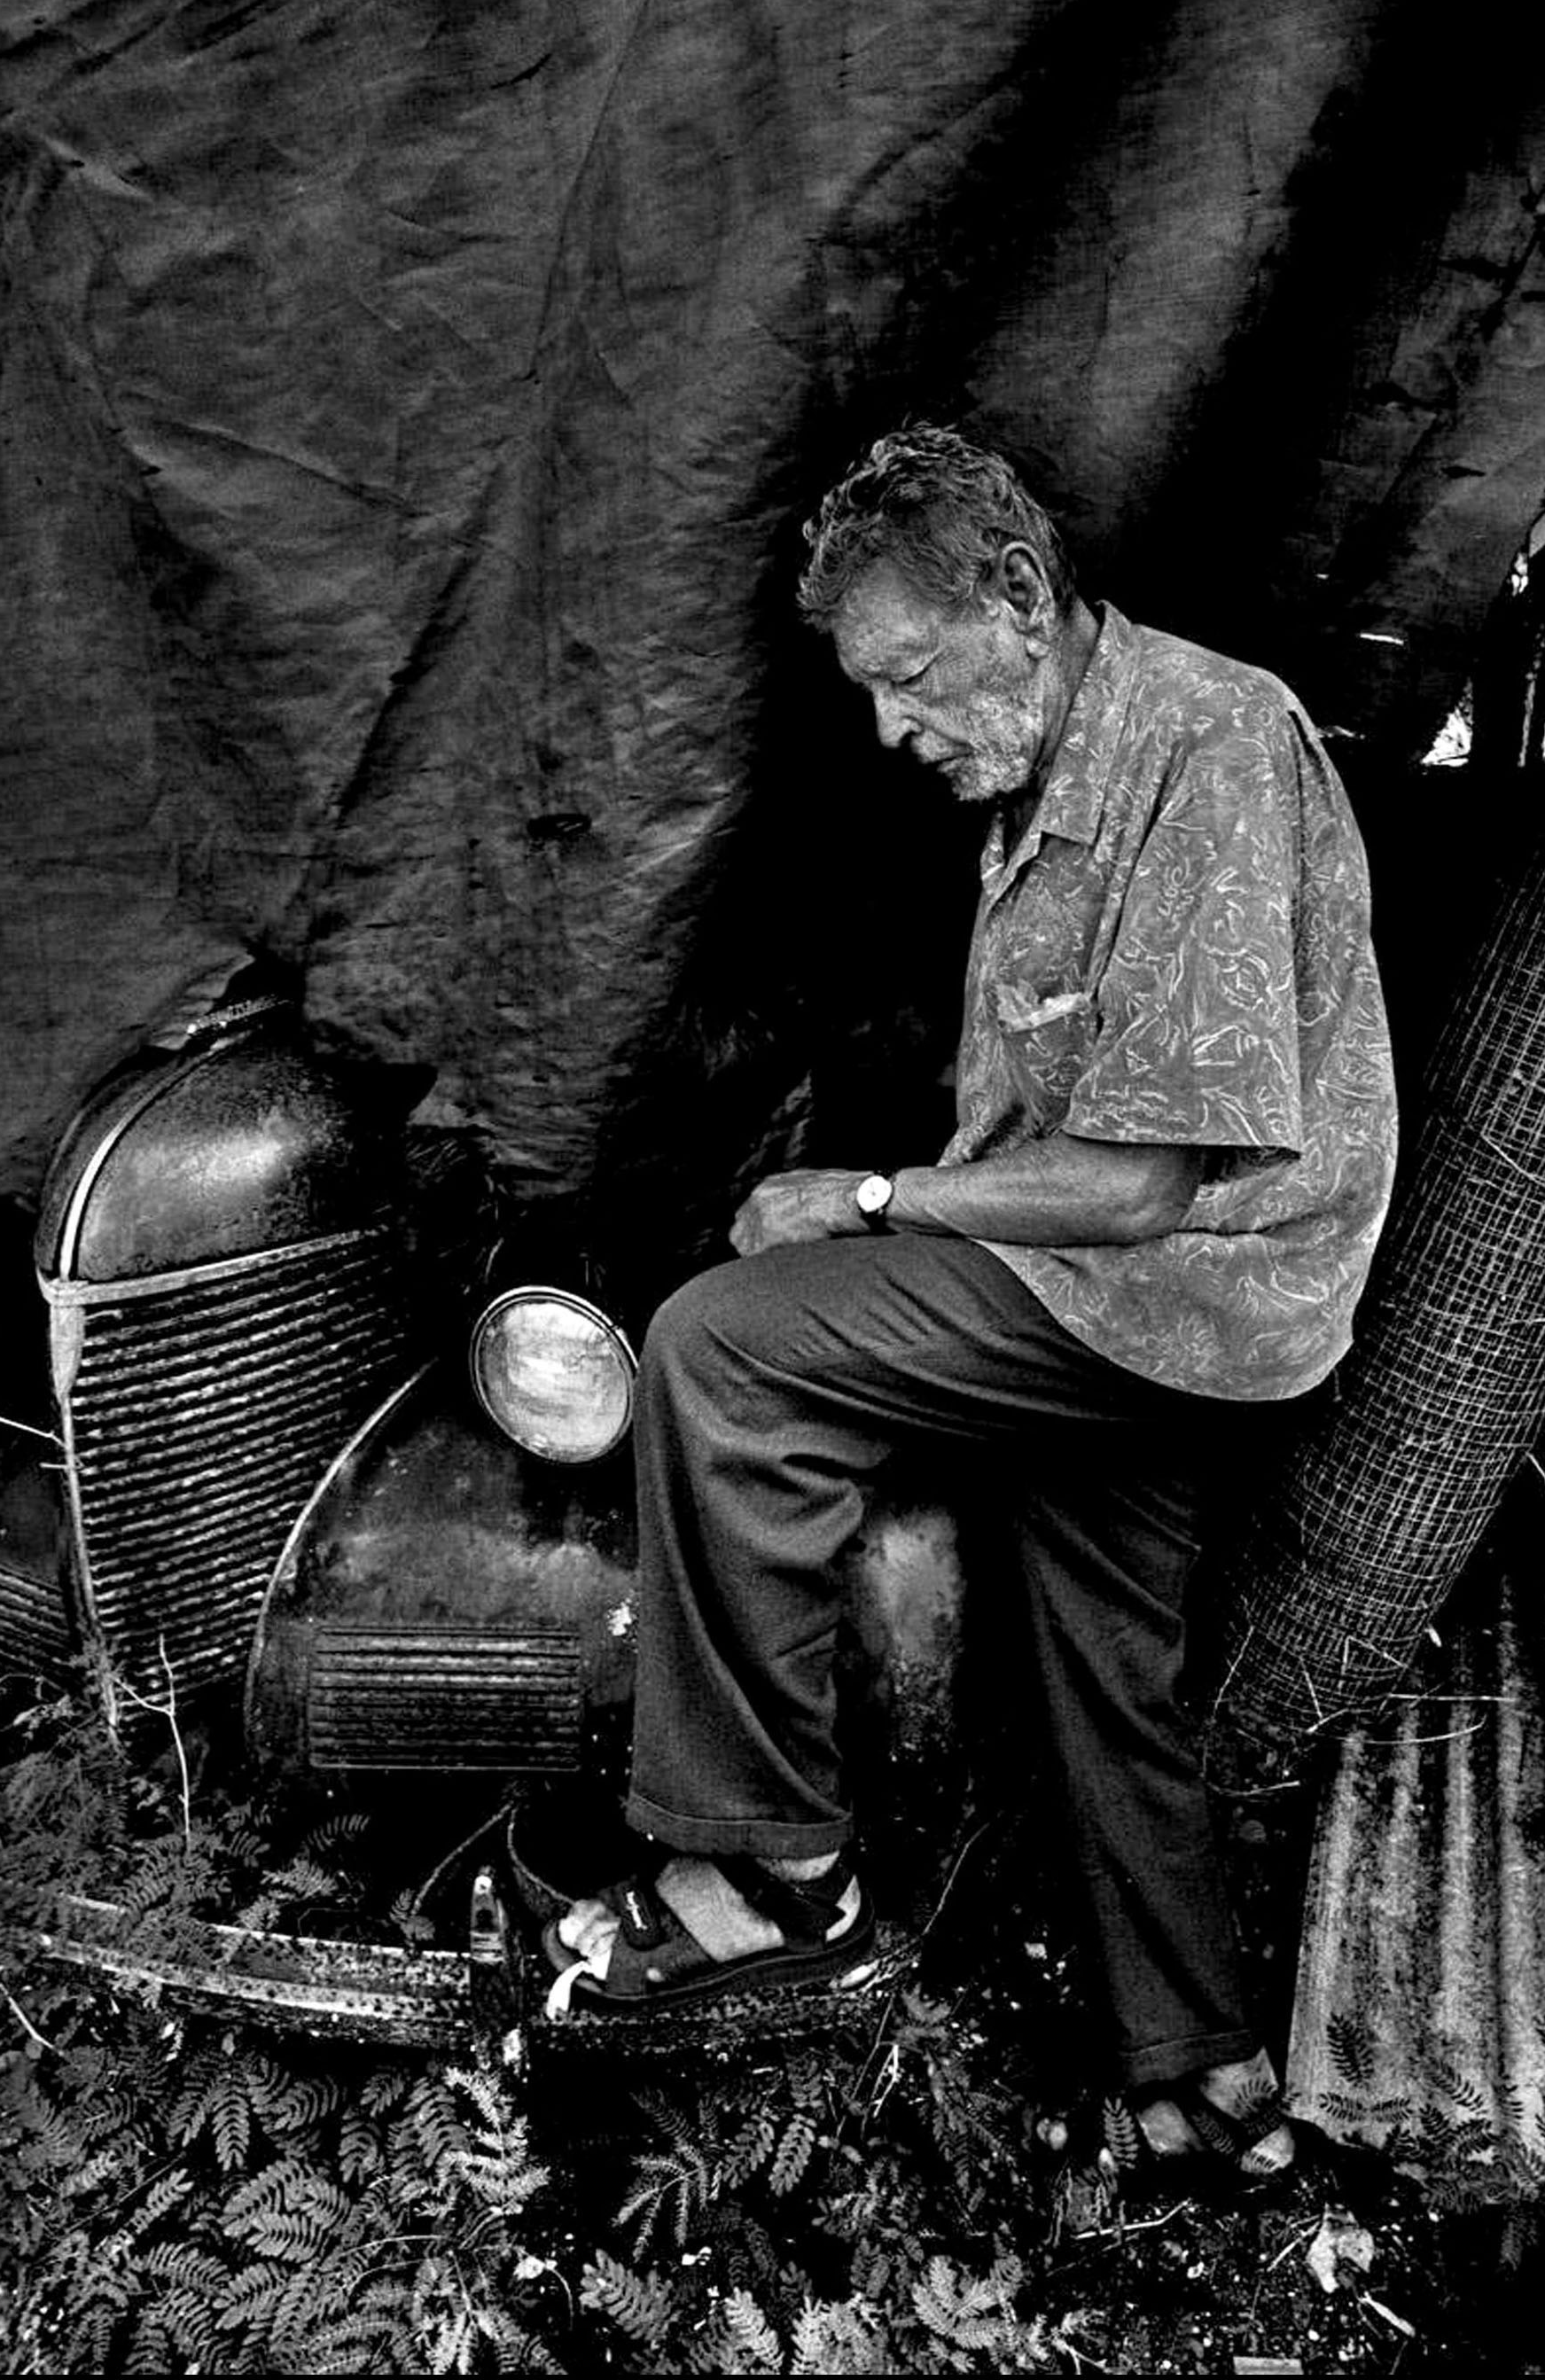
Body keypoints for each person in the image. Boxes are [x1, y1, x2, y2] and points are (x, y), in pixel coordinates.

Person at [544, 425, 1398, 2178]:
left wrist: (861, 1197)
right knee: (1099, 1661)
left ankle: (769, 1858)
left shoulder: (1211, 747)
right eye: (866, 692)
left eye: (910, 674)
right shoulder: (1045, 777)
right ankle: (1201, 2074)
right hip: (1117, 1302)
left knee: (726, 1348)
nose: (889, 727)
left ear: (1015, 597)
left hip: (1182, 1288)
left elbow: (1144, 1180)